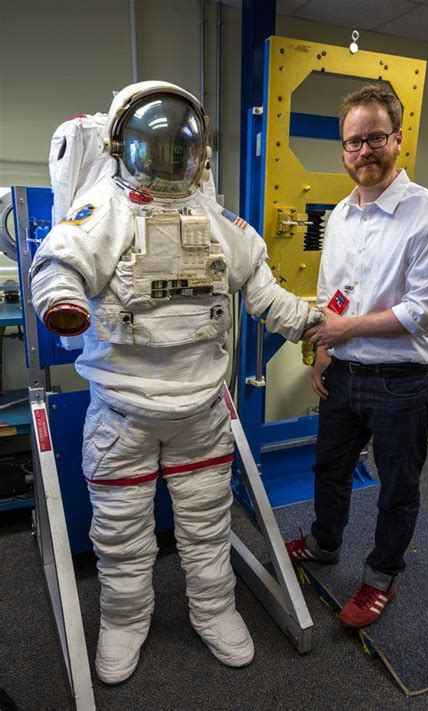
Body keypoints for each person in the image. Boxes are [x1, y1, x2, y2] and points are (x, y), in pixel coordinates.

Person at [29, 80, 321, 684]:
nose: (166, 162)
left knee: (207, 522)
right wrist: (62, 302)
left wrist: (313, 324)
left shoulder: (217, 219)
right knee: (121, 532)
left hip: (199, 411)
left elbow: (263, 292)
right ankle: (124, 622)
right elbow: (58, 265)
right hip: (123, 411)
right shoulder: (103, 211)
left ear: (198, 154)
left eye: (177, 150)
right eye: (153, 147)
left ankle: (213, 610)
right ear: (121, 145)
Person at [286, 84, 428, 628]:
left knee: (397, 488)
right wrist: (322, 350)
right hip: (344, 373)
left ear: (398, 139)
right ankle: (324, 542)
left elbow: (423, 312)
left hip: (400, 382)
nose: (364, 151)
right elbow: (335, 291)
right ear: (343, 149)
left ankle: (380, 578)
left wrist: (339, 330)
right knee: (329, 470)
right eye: (353, 142)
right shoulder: (339, 215)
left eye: (375, 138)